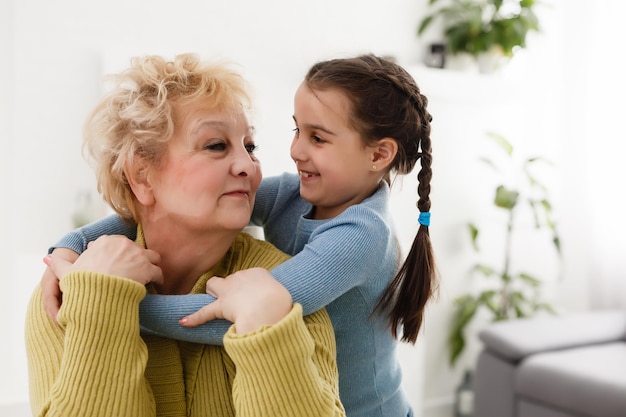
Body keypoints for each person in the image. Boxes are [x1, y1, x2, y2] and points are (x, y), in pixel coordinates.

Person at [42, 54, 437, 417]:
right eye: (297, 130)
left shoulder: (360, 237)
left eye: (318, 138)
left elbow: (245, 315)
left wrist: (114, 303)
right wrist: (70, 249)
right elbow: (148, 211)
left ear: (378, 155)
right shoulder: (294, 196)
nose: (296, 150)